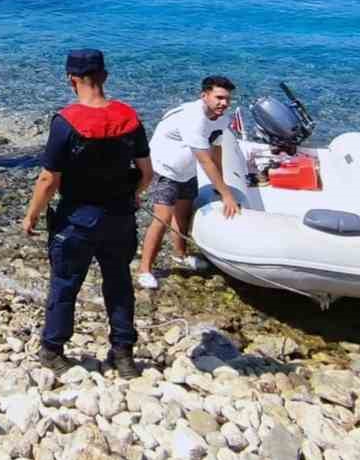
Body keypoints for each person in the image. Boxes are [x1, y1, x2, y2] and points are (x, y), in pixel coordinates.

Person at [21, 49, 151, 375]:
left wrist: (33, 214)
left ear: (71, 80)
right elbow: (148, 172)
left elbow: (49, 178)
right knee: (119, 284)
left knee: (65, 283)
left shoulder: (65, 123)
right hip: (119, 216)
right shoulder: (130, 118)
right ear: (105, 76)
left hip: (77, 217)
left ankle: (53, 349)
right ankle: (122, 354)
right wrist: (133, 196)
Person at [137, 75, 240, 289]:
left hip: (186, 170)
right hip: (164, 169)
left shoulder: (221, 118)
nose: (224, 103)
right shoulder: (193, 118)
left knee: (182, 214)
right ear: (205, 96)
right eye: (219, 97)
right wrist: (227, 195)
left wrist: (220, 187)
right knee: (162, 218)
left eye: (227, 99)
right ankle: (144, 269)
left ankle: (180, 255)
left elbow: (217, 149)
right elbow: (205, 160)